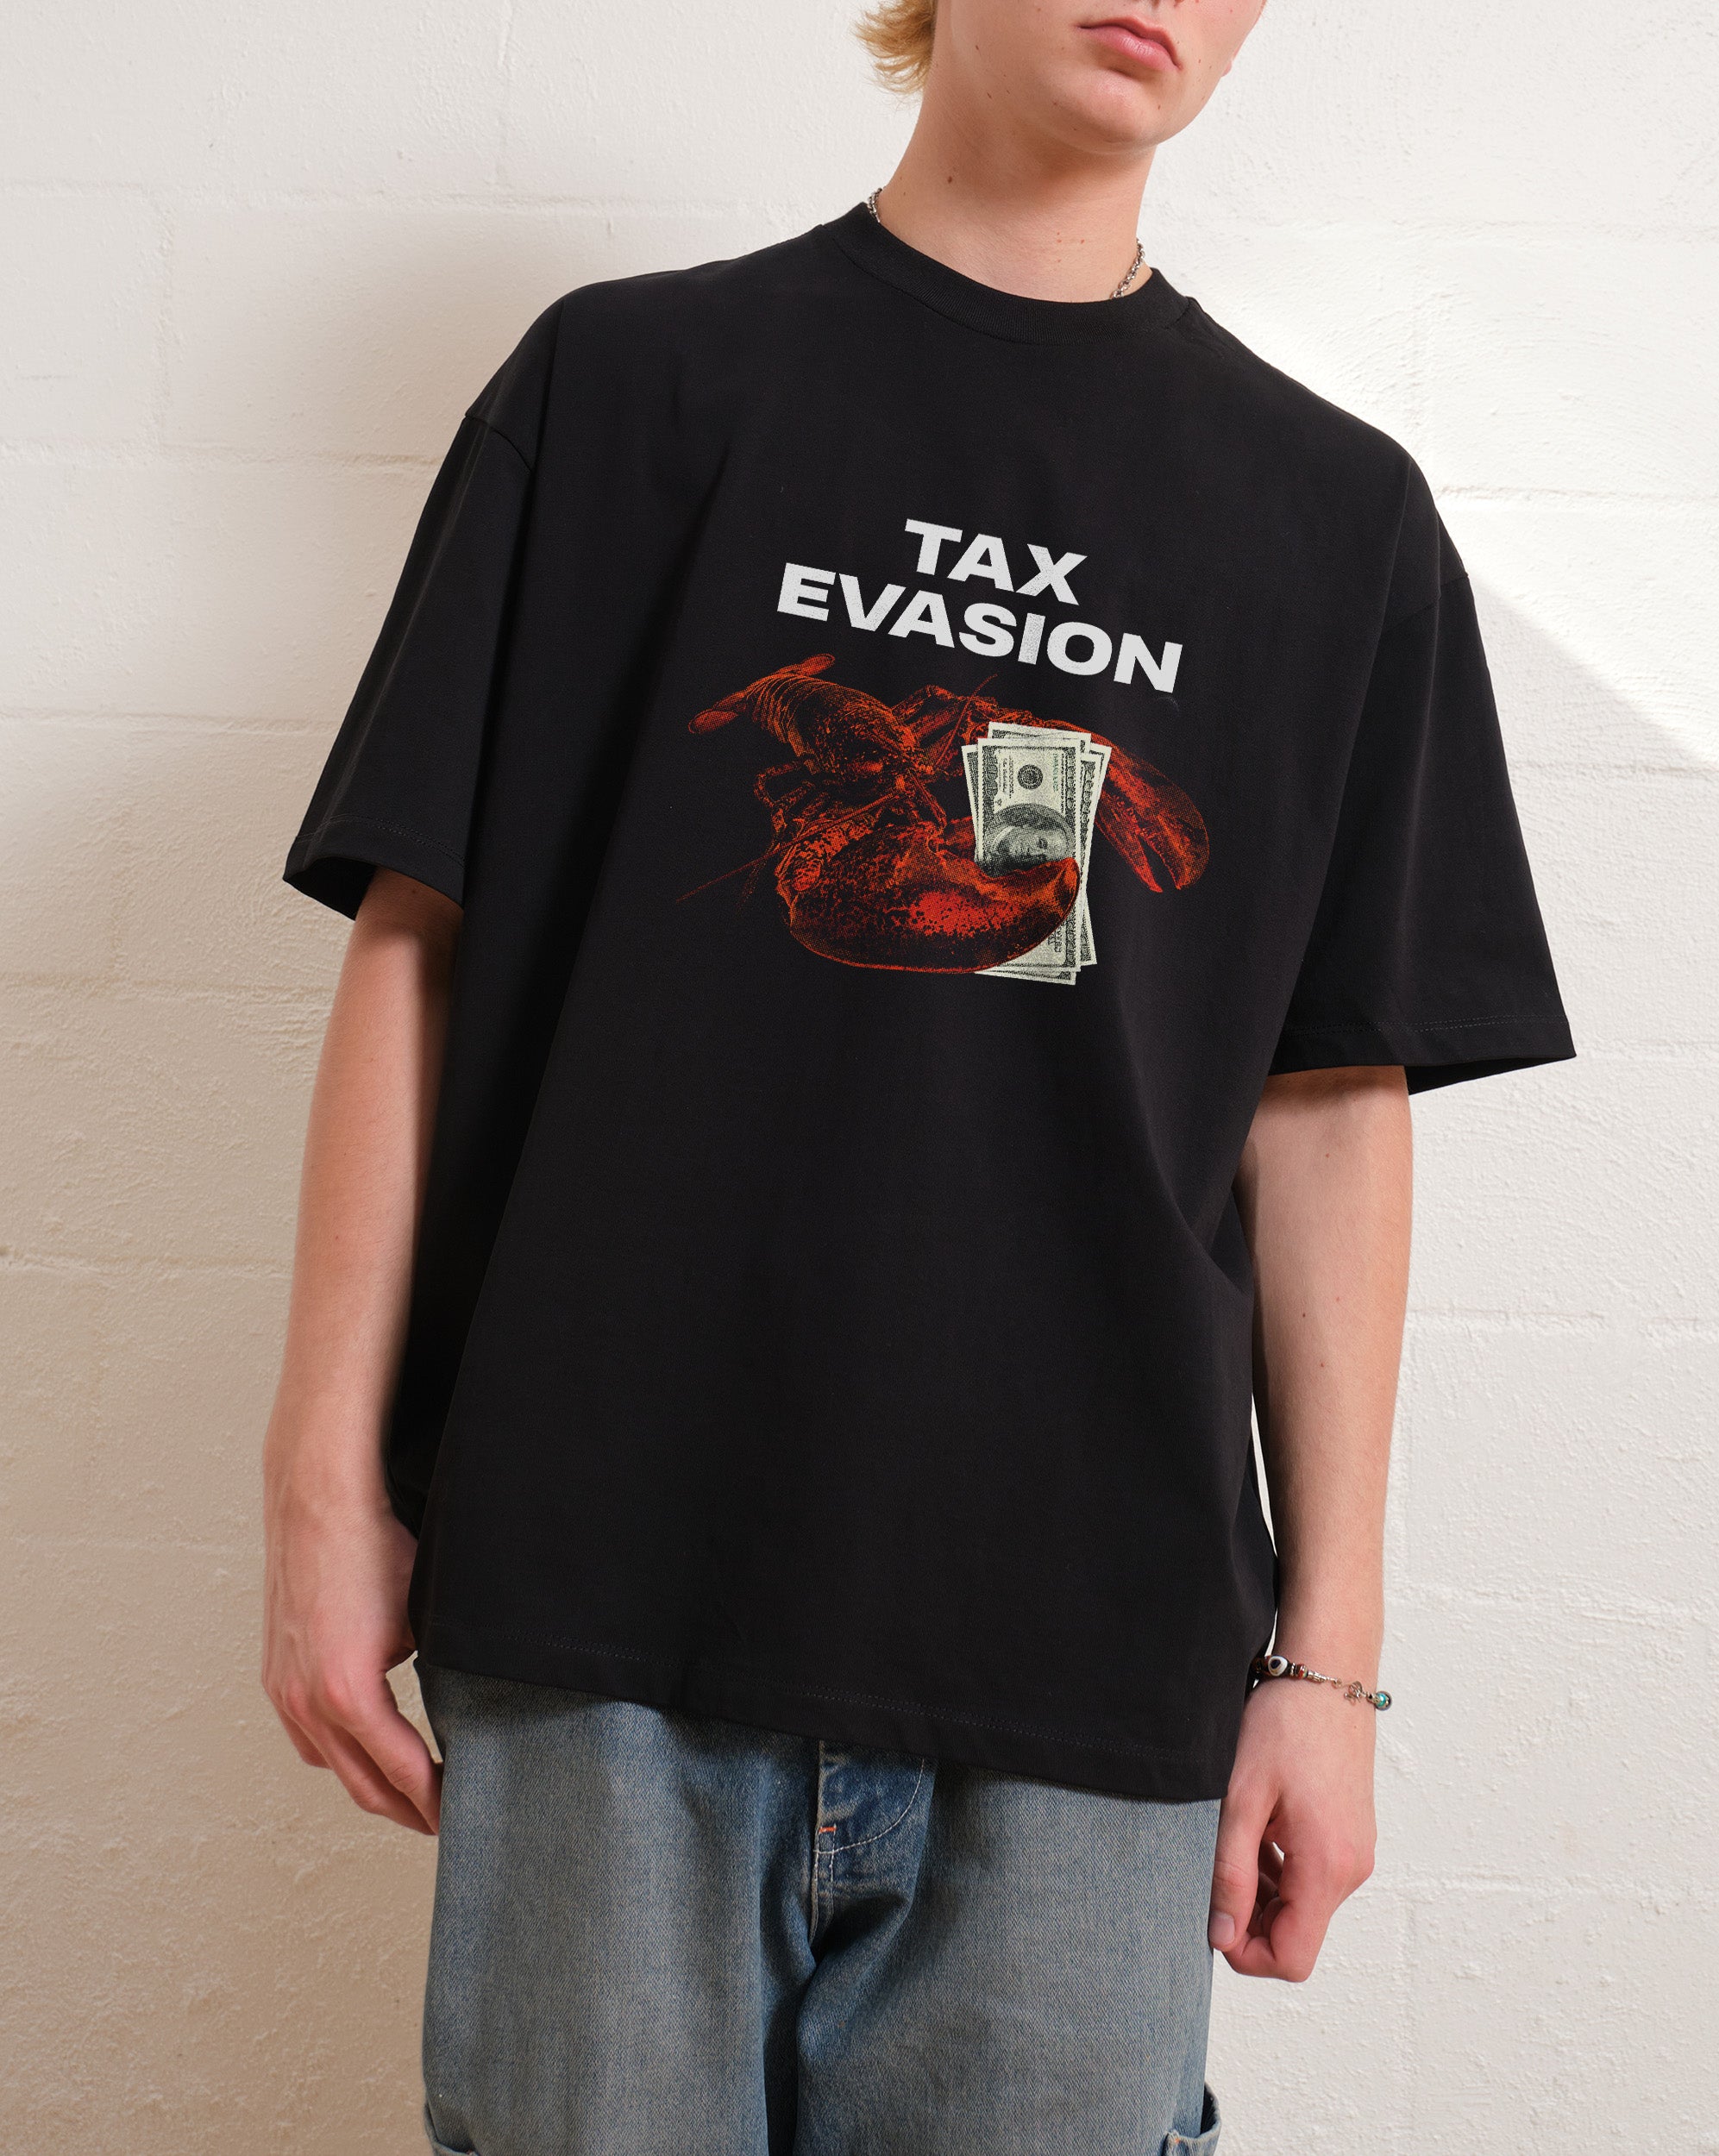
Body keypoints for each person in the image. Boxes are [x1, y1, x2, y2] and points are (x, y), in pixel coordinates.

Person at [262, 2, 1573, 2149]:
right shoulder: (627, 388)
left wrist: (1327, 1667)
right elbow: (423, 942)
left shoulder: (1333, 520)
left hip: (1091, 1641)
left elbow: (1329, 1103)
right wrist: (322, 1485)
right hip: (607, 1577)